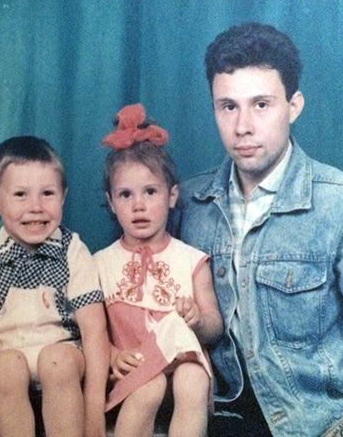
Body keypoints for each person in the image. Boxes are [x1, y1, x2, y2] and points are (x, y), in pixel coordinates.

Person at [170, 22, 343, 436]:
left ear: (294, 106)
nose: (243, 126)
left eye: (261, 104)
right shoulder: (187, 205)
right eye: (228, 106)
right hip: (222, 418)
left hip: (325, 423)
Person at [0, 136, 110, 437]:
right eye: (20, 195)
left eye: (48, 193)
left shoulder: (72, 250)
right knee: (5, 367)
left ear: (63, 196)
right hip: (6, 369)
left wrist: (94, 412)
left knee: (58, 360)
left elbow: (94, 332)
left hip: (62, 363)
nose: (35, 207)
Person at [95, 104, 223, 437]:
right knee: (148, 387)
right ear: (111, 202)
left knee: (193, 378)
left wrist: (197, 320)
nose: (138, 205)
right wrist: (112, 355)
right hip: (134, 370)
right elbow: (91, 330)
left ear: (172, 196)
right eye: (125, 195)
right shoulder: (99, 264)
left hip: (182, 363)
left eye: (150, 192)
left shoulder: (191, 259)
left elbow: (214, 327)